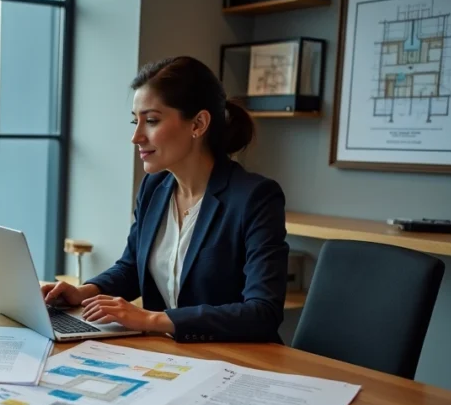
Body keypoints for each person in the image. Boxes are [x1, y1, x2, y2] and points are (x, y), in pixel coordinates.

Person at [43, 56, 289, 343]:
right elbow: (132, 267)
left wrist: (150, 319)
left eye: (151, 121)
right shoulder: (154, 187)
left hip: (236, 360)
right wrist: (83, 292)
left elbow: (262, 312)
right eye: (135, 121)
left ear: (198, 123)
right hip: (172, 357)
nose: (136, 137)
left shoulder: (255, 198)